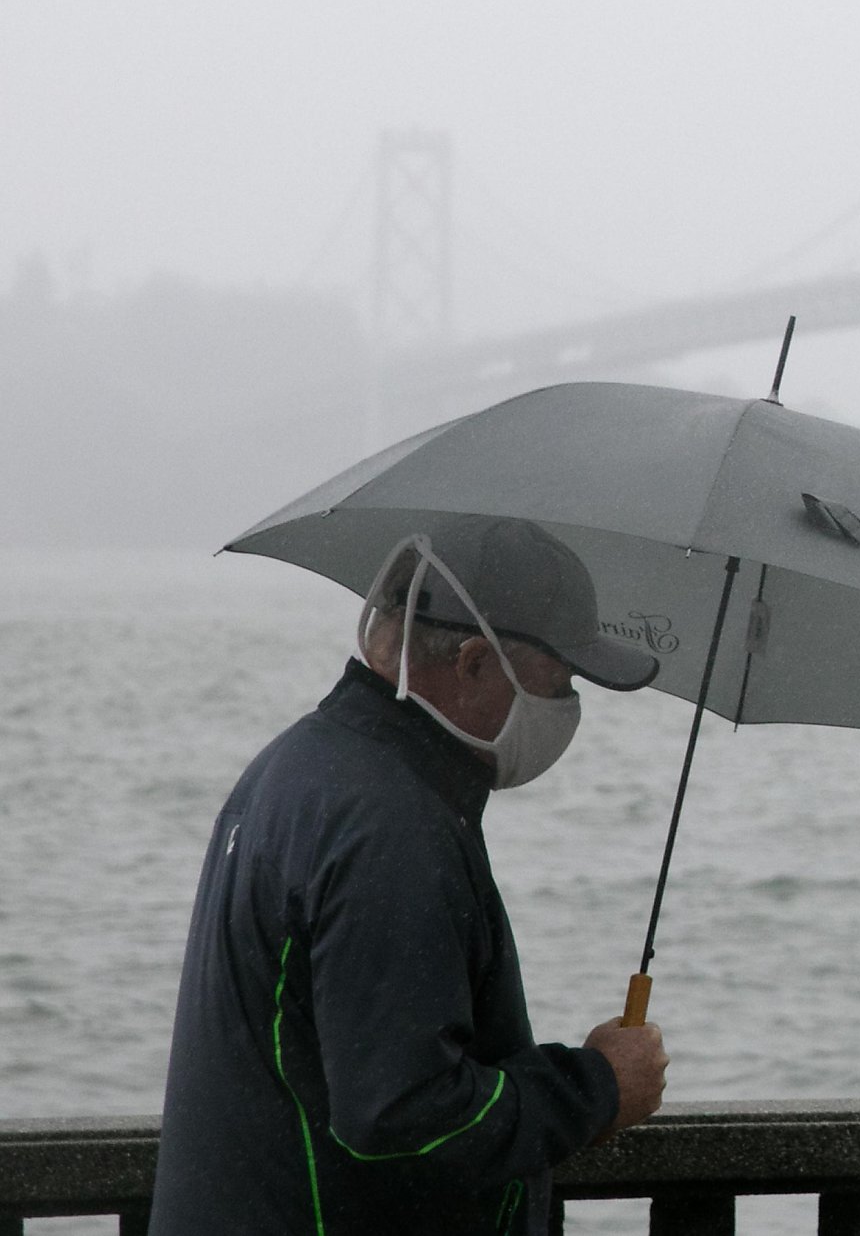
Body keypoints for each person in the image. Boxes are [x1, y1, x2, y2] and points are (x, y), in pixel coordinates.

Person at [154, 517, 671, 1235]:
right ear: (473, 665)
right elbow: (404, 1116)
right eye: (558, 681)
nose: (567, 709)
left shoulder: (302, 766)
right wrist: (597, 1087)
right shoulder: (391, 825)